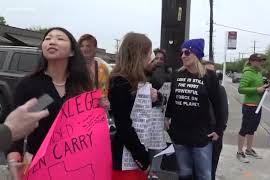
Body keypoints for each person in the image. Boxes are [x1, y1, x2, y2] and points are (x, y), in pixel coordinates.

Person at [6, 27, 93, 180]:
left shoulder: (80, 86)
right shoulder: (30, 85)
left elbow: (88, 127)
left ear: (72, 52)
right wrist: (14, 159)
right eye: (47, 39)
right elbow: (18, 128)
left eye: (60, 39)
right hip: (38, 163)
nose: (52, 41)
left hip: (75, 164)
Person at [165, 39, 223, 180]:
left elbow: (219, 106)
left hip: (201, 135)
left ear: (196, 54)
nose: (183, 56)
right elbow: (172, 99)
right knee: (184, 173)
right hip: (179, 133)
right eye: (182, 53)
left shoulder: (209, 77)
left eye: (187, 52)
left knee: (204, 175)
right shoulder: (177, 75)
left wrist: (219, 130)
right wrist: (167, 117)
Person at [108, 32, 158, 180]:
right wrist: (142, 158)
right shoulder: (120, 82)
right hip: (125, 156)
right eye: (149, 53)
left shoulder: (138, 79)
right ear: (138, 54)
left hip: (137, 148)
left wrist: (157, 97)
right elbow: (124, 126)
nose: (151, 57)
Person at [237, 53, 267, 163]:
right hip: (249, 106)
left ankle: (249, 149)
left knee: (252, 129)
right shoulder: (248, 73)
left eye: (262, 61)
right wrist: (256, 89)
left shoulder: (258, 73)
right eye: (258, 61)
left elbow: (259, 87)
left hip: (258, 105)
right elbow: (241, 89)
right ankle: (240, 152)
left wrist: (264, 87)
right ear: (252, 61)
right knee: (244, 129)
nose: (261, 63)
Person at [201, 60, 229, 180]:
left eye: (212, 71)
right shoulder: (198, 88)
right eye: (206, 71)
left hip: (214, 133)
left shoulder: (220, 90)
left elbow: (224, 112)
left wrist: (219, 131)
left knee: (211, 167)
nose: (209, 74)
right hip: (200, 132)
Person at [78, 34, 110, 106]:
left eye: (88, 46)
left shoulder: (102, 67)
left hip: (96, 108)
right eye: (82, 46)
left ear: (95, 48)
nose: (85, 48)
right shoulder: (73, 66)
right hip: (78, 107)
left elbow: (104, 91)